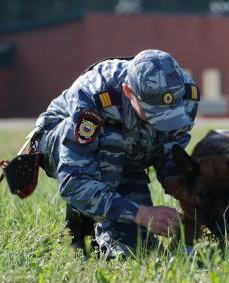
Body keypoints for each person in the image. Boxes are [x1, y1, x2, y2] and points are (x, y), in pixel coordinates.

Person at [32, 49, 200, 258]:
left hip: (128, 156)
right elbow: (73, 182)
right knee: (113, 141)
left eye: (168, 114)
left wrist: (184, 192)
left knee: (138, 249)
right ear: (129, 92)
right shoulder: (94, 97)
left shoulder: (186, 96)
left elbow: (171, 148)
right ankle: (82, 222)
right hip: (64, 143)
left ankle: (115, 227)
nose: (160, 122)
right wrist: (142, 214)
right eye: (152, 113)